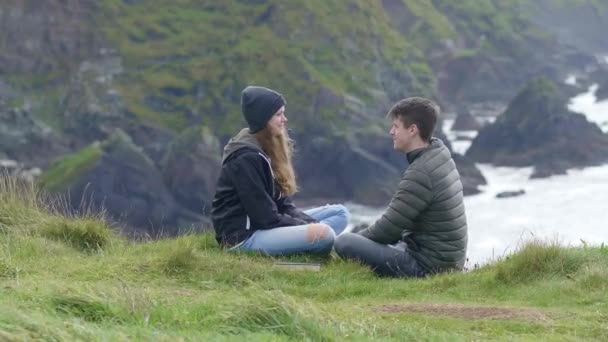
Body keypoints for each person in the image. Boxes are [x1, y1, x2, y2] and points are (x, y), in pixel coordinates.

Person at [334, 97, 467, 277]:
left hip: (428, 268)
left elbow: (388, 229)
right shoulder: (439, 152)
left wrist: (345, 246)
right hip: (445, 260)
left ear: (412, 130)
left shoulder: (421, 172)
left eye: (396, 126)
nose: (391, 132)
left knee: (345, 243)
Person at [211, 86, 350, 255]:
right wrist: (311, 228)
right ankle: (308, 250)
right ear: (263, 119)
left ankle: (302, 246)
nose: (285, 119)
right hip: (243, 238)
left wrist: (309, 224)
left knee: (340, 213)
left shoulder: (264, 147)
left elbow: (284, 205)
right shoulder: (246, 158)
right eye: (278, 114)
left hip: (265, 226)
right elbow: (266, 218)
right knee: (325, 234)